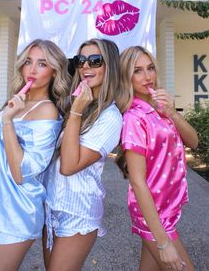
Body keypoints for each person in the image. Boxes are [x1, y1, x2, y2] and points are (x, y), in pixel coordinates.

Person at [0, 39, 70, 271]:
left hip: (15, 211)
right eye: (28, 61)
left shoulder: (47, 110)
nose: (32, 69)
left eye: (42, 64)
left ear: (55, 72)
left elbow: (20, 172)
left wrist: (7, 120)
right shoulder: (19, 101)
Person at [43, 38, 123, 271]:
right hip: (52, 205)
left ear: (110, 67)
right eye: (80, 60)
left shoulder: (110, 117)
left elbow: (69, 166)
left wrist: (76, 113)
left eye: (95, 61)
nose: (86, 66)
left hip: (77, 211)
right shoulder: (75, 104)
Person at [116, 46, 198, 271]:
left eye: (150, 68)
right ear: (127, 77)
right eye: (138, 71)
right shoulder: (134, 117)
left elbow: (194, 142)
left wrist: (172, 113)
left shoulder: (160, 108)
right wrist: (163, 243)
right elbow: (137, 181)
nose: (148, 76)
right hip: (153, 214)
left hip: (167, 207)